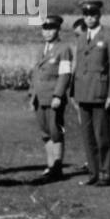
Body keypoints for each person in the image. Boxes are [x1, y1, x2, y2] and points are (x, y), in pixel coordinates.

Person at [70, 0, 110, 185]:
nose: (89, 19)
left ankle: (107, 173)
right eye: (86, 15)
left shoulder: (108, 37)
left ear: (99, 16)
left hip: (100, 93)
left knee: (103, 136)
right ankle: (94, 173)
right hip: (83, 93)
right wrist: (74, 93)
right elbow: (79, 67)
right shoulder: (81, 38)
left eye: (93, 15)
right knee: (88, 136)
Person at [29, 15, 73, 183]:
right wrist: (32, 95)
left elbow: (65, 74)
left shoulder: (63, 49)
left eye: (51, 29)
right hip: (40, 97)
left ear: (58, 29)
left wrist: (58, 95)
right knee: (45, 133)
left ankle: (57, 166)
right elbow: (35, 74)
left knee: (56, 132)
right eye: (44, 29)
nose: (47, 32)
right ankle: (49, 165)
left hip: (53, 97)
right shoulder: (42, 49)